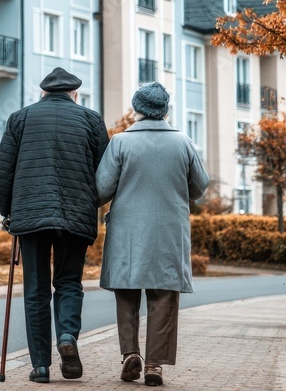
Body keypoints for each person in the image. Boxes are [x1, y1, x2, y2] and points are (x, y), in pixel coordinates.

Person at [0, 67, 110, 383]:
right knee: (69, 281)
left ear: (43, 93)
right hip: (76, 215)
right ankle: (68, 335)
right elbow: (105, 174)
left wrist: (9, 213)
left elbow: (2, 175)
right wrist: (90, 204)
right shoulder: (91, 119)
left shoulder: (20, 119)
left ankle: (40, 366)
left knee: (35, 289)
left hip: (30, 216)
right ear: (74, 94)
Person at [95, 82, 210, 387]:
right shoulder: (183, 142)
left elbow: (102, 190)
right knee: (163, 296)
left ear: (137, 109)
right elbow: (200, 186)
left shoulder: (120, 143)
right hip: (169, 231)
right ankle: (155, 366)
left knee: (127, 291)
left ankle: (130, 353)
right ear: (165, 110)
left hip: (127, 233)